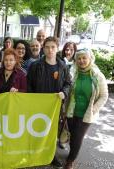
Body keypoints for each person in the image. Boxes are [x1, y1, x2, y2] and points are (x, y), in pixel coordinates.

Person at [27, 36, 72, 168]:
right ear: (43, 48)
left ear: (57, 48)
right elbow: (29, 84)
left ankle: (51, 155)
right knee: (36, 130)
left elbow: (68, 84)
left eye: (53, 47)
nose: (50, 50)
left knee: (52, 133)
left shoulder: (63, 67)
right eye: (47, 47)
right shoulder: (36, 65)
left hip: (54, 108)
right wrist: (31, 100)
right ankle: (34, 154)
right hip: (37, 106)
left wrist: (64, 92)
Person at [64, 49, 108, 169]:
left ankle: (70, 160)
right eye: (79, 58)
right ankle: (72, 153)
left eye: (84, 58)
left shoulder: (97, 75)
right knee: (72, 136)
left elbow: (104, 95)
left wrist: (94, 109)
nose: (81, 61)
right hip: (71, 112)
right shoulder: (73, 74)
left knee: (78, 137)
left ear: (90, 59)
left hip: (87, 114)